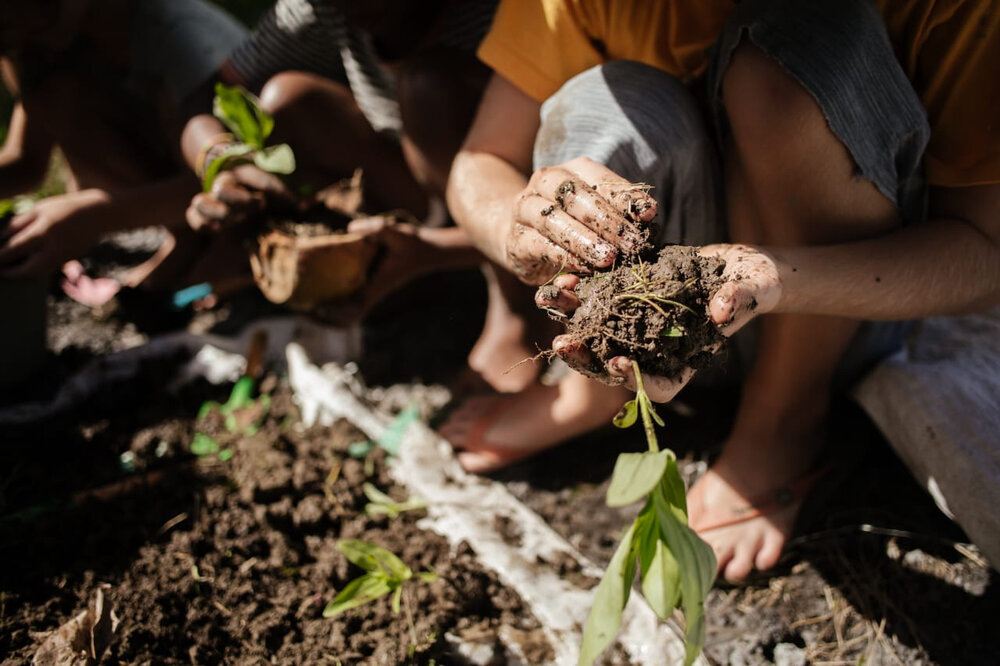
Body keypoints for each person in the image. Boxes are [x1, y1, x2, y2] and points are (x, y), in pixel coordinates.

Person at [442, 0, 1000, 581]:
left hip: (846, 304)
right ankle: (603, 383)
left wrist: (777, 278)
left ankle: (782, 417)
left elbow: (986, 251)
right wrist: (516, 222)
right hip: (683, 326)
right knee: (601, 101)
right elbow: (481, 160)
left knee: (797, 41)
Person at [179, 0, 548, 382]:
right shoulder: (324, 10)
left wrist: (433, 251)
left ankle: (519, 308)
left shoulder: (502, 14)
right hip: (421, 195)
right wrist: (223, 166)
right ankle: (393, 273)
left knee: (428, 85)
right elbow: (208, 96)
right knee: (287, 101)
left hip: (516, 205)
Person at [0, 0, 247, 302]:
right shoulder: (36, 44)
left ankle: (227, 247)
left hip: (242, 176)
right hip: (182, 175)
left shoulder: (173, 34)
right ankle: (188, 240)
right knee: (53, 91)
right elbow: (26, 162)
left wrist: (92, 215)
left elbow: (231, 177)